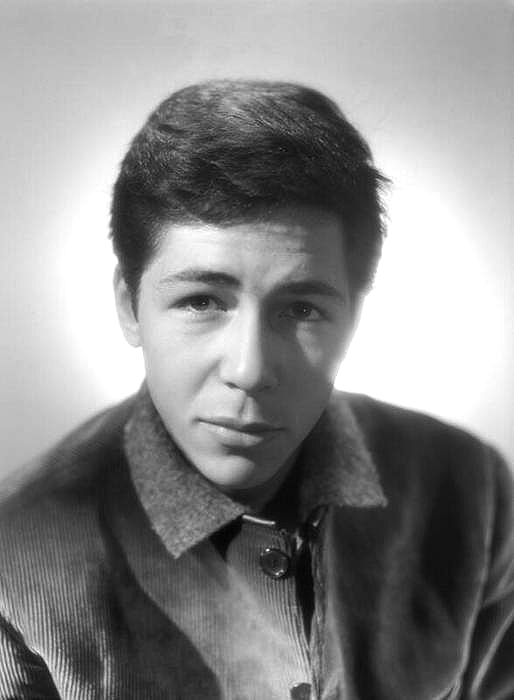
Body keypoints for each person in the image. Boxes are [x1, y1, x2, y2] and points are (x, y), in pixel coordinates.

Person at [0, 80, 512, 700]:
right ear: (130, 306)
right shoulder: (13, 566)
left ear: (355, 318)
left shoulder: (474, 488)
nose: (248, 369)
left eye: (302, 310)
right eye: (201, 301)